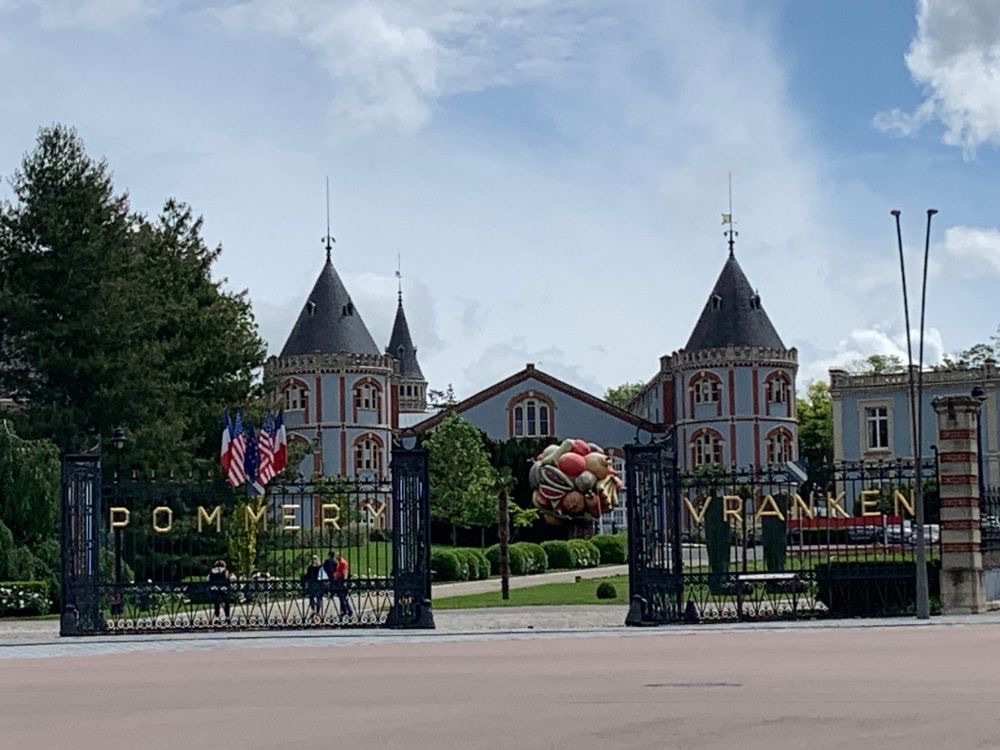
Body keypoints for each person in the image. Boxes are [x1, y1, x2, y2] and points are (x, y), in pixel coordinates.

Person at [332, 551, 353, 617]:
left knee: (342, 597)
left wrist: (344, 581)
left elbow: (345, 572)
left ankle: (345, 611)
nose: (335, 558)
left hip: (341, 581)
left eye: (336, 556)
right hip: (339, 580)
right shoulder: (340, 563)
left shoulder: (342, 563)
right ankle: (348, 610)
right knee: (342, 597)